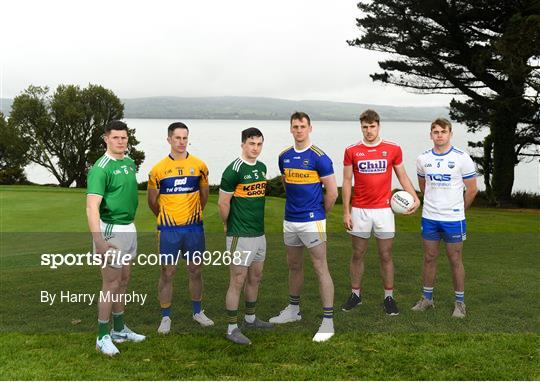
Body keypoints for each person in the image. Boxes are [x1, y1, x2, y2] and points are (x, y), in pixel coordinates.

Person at [341, 109, 420, 316]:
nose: (368, 131)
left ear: (378, 126)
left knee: (385, 255)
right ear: (361, 127)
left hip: (384, 211)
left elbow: (402, 176)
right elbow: (347, 181)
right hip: (359, 210)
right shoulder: (352, 150)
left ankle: (388, 298)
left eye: (372, 126)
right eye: (365, 127)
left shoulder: (392, 148)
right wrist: (346, 211)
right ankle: (355, 295)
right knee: (358, 253)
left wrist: (415, 197)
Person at [269, 112, 338, 343]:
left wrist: (320, 215)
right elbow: (288, 186)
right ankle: (293, 311)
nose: (299, 130)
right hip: (290, 220)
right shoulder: (284, 157)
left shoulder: (320, 158)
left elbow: (333, 192)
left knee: (320, 267)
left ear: (310, 128)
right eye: (295, 126)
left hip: (313, 220)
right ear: (290, 129)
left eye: (302, 126)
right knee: (294, 266)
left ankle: (328, 321)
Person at [148, 122, 214, 334]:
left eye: (185, 138)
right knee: (168, 272)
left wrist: (193, 215)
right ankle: (165, 317)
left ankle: (198, 312)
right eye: (177, 138)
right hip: (168, 230)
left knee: (195, 270)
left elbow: (204, 195)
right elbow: (152, 202)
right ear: (169, 139)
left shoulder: (200, 166)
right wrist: (168, 218)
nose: (181, 142)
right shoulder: (158, 170)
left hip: (194, 228)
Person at [87, 120, 145, 357]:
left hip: (128, 228)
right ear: (106, 139)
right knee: (110, 285)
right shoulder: (100, 168)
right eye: (116, 138)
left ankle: (119, 330)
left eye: (124, 138)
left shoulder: (129, 162)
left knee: (123, 281)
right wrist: (99, 241)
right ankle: (102, 336)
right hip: (110, 230)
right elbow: (92, 208)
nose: (121, 141)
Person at [413, 118, 478, 318]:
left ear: (450, 134)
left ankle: (459, 303)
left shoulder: (462, 158)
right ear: (430, 134)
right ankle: (427, 299)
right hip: (430, 217)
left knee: (455, 259)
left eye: (443, 131)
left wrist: (459, 209)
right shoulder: (423, 159)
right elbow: (424, 187)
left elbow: (472, 189)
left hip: (453, 219)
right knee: (429, 258)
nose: (439, 135)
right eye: (435, 131)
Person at [218, 127, 273, 345]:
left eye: (259, 144)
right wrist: (226, 225)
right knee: (237, 280)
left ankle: (250, 319)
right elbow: (223, 203)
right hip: (239, 235)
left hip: (259, 234)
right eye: (252, 144)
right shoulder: (233, 170)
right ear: (243, 144)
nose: (256, 148)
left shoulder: (261, 167)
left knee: (255, 277)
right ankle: (231, 328)